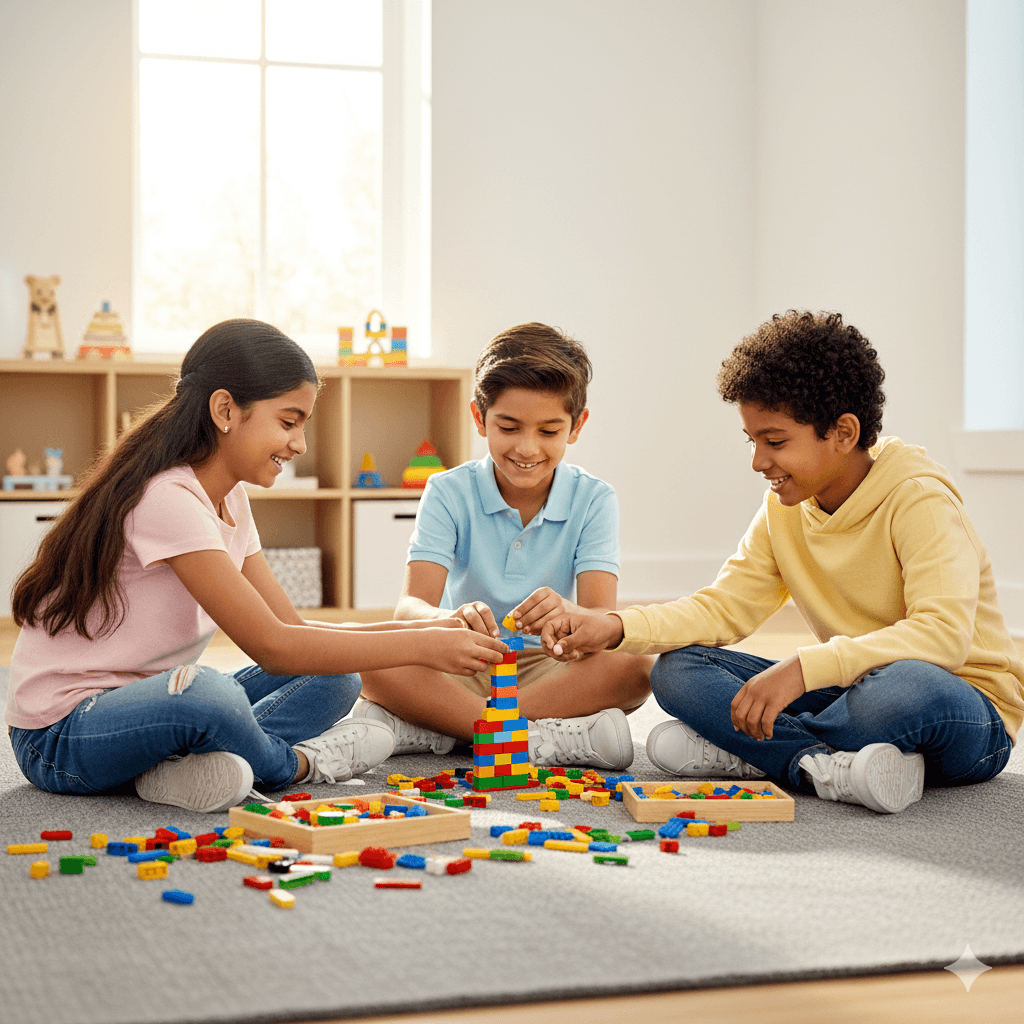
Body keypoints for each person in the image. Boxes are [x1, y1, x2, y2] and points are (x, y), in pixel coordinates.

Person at [5, 319, 506, 813]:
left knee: (338, 677)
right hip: (61, 733)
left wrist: (434, 628)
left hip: (149, 702)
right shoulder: (166, 497)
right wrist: (422, 645)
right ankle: (294, 765)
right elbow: (272, 647)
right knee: (209, 695)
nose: (300, 444)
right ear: (225, 409)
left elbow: (291, 629)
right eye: (288, 422)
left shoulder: (232, 500)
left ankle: (183, 765)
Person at [540, 310, 1024, 813]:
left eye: (774, 442)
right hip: (849, 693)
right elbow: (723, 609)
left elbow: (942, 636)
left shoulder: (919, 500)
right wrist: (613, 625)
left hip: (965, 711)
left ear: (843, 431)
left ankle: (758, 752)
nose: (758, 462)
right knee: (678, 667)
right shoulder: (785, 509)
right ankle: (815, 763)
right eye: (752, 441)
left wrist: (801, 668)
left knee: (908, 686)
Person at [353, 322, 652, 770]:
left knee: (639, 664)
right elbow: (410, 608)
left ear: (576, 426)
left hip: (549, 670)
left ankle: (450, 730)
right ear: (479, 418)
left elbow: (599, 622)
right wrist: (448, 619)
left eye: (549, 431)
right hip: (464, 664)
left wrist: (571, 619)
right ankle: (533, 737)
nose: (527, 447)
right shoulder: (447, 490)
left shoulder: (593, 498)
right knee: (364, 659)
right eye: (508, 427)